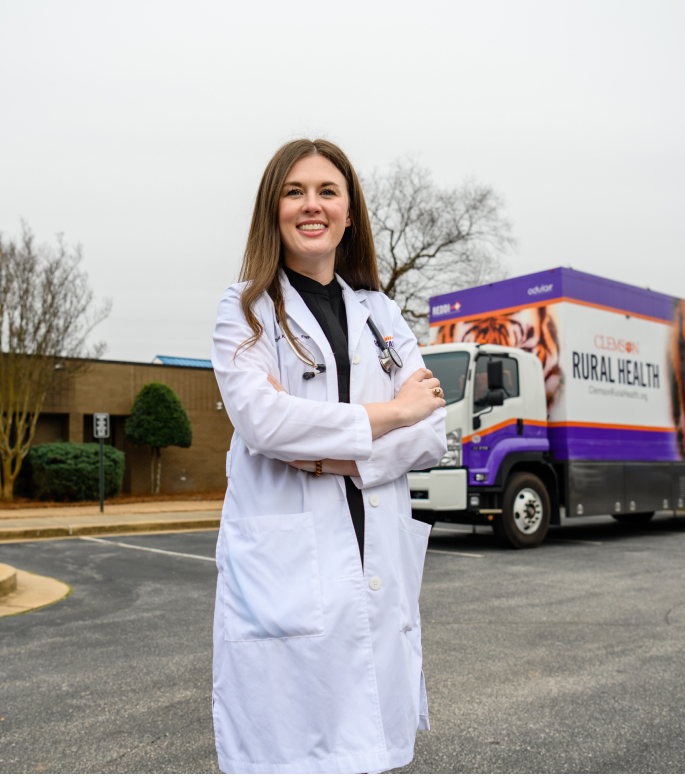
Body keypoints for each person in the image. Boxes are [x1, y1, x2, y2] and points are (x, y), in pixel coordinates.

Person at [210, 138, 448, 774]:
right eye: (294, 191)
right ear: (273, 209)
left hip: (374, 550)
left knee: (369, 747)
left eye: (326, 191)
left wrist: (330, 454)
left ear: (349, 213)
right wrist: (392, 414)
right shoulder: (245, 310)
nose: (310, 205)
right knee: (291, 748)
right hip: (286, 568)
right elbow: (264, 421)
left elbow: (434, 431)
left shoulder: (381, 313)